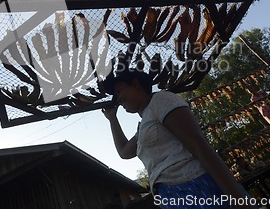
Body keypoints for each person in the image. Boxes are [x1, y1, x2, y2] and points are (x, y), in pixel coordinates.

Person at [101, 68, 253, 209]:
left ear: (135, 84)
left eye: (119, 91)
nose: (118, 99)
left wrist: (238, 198)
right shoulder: (142, 126)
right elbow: (124, 152)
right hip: (170, 196)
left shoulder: (160, 100)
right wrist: (112, 118)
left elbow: (198, 144)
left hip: (193, 186)